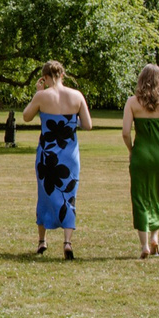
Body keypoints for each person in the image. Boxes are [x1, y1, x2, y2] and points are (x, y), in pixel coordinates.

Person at [21, 60, 93, 259]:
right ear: (62, 75)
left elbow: (26, 116)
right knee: (69, 196)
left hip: (47, 154)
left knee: (44, 195)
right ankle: (67, 242)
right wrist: (71, 120)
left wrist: (38, 93)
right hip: (69, 154)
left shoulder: (42, 96)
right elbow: (88, 125)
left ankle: (42, 241)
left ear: (44, 77)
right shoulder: (77, 96)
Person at [123, 62, 159, 259]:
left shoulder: (132, 102)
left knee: (139, 196)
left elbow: (125, 133)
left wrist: (131, 149)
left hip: (140, 153)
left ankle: (145, 244)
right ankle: (155, 236)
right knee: (157, 194)